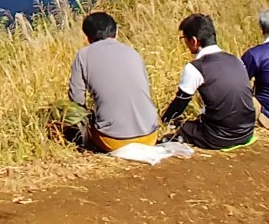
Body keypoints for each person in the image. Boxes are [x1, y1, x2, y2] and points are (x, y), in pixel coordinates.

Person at [161, 13, 258, 150]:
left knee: (182, 127)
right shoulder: (236, 60)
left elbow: (180, 103)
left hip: (218, 137)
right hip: (247, 132)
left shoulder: (196, 67)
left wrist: (163, 121)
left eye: (184, 39)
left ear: (194, 41)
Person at [66, 11, 160, 152]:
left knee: (70, 122)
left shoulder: (83, 56)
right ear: (116, 32)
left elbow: (76, 100)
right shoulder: (133, 53)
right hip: (150, 135)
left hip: (114, 141)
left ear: (88, 38)